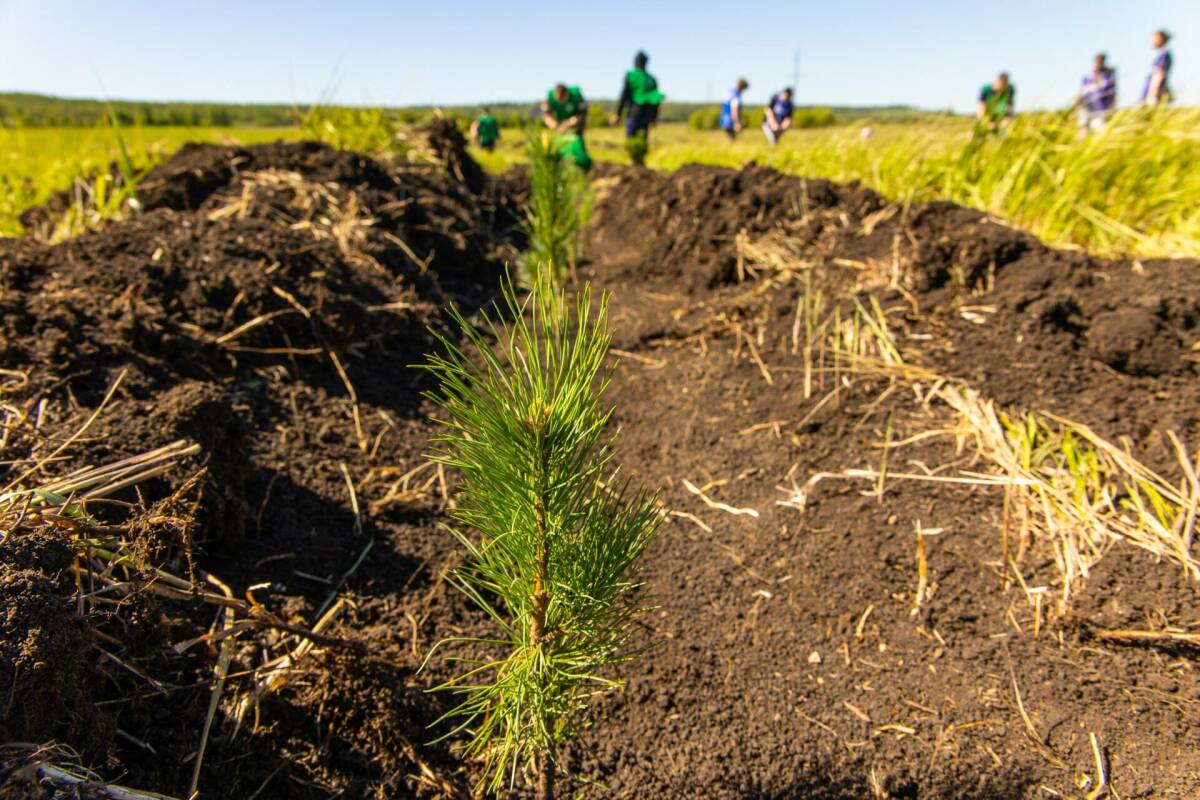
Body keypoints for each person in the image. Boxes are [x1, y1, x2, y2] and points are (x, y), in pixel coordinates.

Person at [612, 51, 664, 146]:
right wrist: (654, 118)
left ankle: (634, 158)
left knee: (631, 140)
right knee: (642, 139)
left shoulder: (631, 76)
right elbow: (656, 100)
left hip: (633, 113)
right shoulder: (651, 79)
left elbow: (624, 96)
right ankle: (639, 159)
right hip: (647, 114)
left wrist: (618, 114)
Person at [1075, 54, 1116, 134]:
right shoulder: (1087, 76)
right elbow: (1082, 91)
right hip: (1086, 107)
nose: (1098, 63)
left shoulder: (1108, 77)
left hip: (1101, 108)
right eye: (1097, 61)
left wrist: (1112, 106)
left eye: (1101, 61)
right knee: (1084, 130)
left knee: (1101, 130)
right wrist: (1078, 103)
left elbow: (1112, 92)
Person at [1142, 29, 1173, 106]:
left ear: (1161, 39)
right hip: (1153, 90)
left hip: (1155, 92)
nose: (1153, 41)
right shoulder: (1162, 55)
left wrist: (1153, 94)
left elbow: (1160, 74)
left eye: (1155, 39)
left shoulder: (1164, 55)